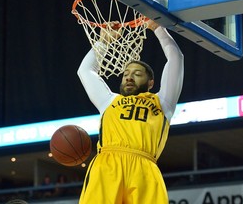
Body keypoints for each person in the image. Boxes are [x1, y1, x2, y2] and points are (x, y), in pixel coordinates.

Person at [77, 20, 184, 204]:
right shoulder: (108, 100)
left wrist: (158, 28)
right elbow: (85, 71)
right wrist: (103, 41)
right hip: (107, 165)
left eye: (137, 73)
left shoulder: (163, 102)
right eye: (126, 73)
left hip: (144, 167)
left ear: (151, 83)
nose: (129, 77)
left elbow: (176, 58)